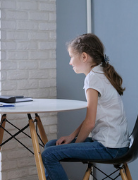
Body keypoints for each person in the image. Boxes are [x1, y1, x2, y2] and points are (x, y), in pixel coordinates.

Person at [41, 33, 129, 180]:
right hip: (115, 144)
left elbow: (90, 123)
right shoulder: (100, 72)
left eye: (71, 56)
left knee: (49, 154)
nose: (70, 62)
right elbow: (91, 117)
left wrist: (74, 146)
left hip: (110, 148)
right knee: (51, 146)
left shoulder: (92, 79)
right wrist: (71, 137)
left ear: (84, 57)